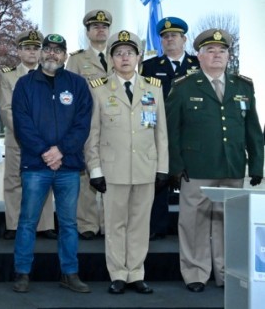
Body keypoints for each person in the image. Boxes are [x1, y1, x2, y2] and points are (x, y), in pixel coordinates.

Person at [167, 28, 264, 292]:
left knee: (229, 225)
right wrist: (175, 166)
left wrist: (256, 165)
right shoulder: (184, 87)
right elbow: (171, 130)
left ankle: (226, 273)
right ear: (199, 56)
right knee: (193, 224)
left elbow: (253, 130)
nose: (217, 55)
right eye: (210, 50)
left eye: (222, 51)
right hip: (196, 169)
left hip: (232, 168)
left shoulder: (243, 86)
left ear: (229, 56)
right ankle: (196, 274)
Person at [85, 30, 168, 295]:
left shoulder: (153, 88)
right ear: (110, 59)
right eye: (119, 53)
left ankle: (136, 273)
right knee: (115, 225)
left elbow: (161, 133)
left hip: (145, 167)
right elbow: (92, 134)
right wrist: (95, 170)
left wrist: (162, 168)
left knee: (140, 225)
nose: (124, 58)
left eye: (129, 53)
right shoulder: (98, 90)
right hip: (113, 170)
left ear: (139, 57)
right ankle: (118, 273)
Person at [10, 33, 92, 294]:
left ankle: (70, 273)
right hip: (35, 165)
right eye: (48, 49)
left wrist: (61, 152)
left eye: (58, 50)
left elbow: (82, 124)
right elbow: (22, 125)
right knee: (27, 222)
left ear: (65, 55)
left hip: (68, 167)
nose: (52, 54)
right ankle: (22, 273)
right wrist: (46, 152)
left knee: (68, 223)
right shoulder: (24, 84)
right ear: (41, 53)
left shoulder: (78, 85)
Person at [140, 16, 199, 241]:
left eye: (174, 35)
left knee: (192, 180)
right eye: (165, 37)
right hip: (160, 130)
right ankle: (157, 225)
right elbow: (145, 98)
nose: (169, 39)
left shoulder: (197, 64)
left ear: (184, 39)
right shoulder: (150, 66)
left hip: (192, 131)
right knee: (160, 178)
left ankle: (192, 229)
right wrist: (147, 127)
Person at [0, 29, 56, 240]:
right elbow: (6, 109)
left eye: (36, 48)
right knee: (14, 181)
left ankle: (45, 225)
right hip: (18, 140)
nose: (32, 52)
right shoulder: (8, 75)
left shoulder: (52, 74)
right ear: (19, 51)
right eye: (27, 48)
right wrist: (28, 136)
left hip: (46, 141)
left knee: (45, 181)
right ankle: (13, 224)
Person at [66, 9, 113, 241]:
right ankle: (87, 223)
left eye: (104, 27)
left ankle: (109, 223)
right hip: (86, 123)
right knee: (85, 174)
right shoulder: (76, 59)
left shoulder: (121, 56)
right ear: (87, 32)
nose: (100, 30)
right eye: (95, 27)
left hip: (115, 125)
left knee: (112, 173)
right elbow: (69, 94)